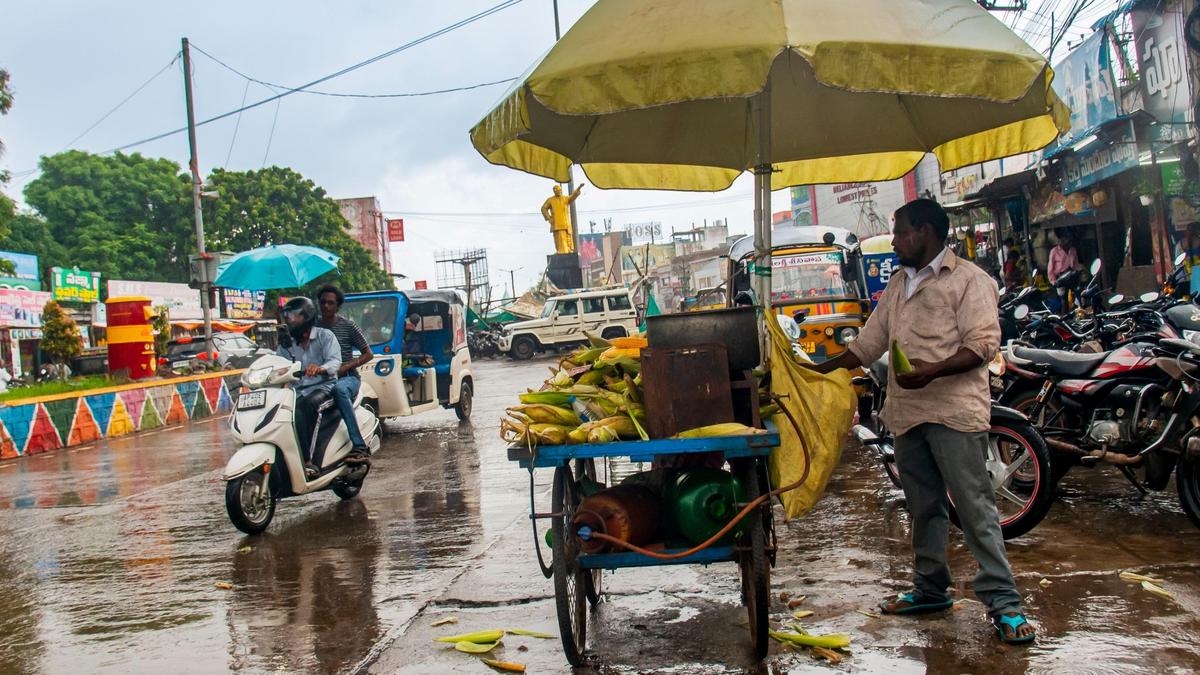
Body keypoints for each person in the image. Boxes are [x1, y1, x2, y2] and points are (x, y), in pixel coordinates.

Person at [808, 198, 1036, 644]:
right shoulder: (898, 285)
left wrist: (930, 372)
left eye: (900, 231)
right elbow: (867, 344)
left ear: (926, 232)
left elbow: (983, 345)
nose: (894, 240)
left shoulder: (970, 281)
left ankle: (1004, 602)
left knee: (974, 508)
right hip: (908, 416)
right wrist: (816, 370)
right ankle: (930, 590)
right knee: (924, 508)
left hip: (954, 413)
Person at [277, 297, 341, 480]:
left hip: (323, 386)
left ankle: (307, 461)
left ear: (307, 317)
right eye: (287, 316)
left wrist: (320, 368)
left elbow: (335, 361)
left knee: (305, 408)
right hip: (297, 390)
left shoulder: (325, 336)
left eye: (294, 316)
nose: (290, 320)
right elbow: (278, 364)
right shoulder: (286, 343)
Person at [316, 285, 373, 464]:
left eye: (330, 303)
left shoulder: (348, 326)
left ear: (337, 306)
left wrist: (347, 365)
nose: (326, 306)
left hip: (347, 378)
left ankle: (359, 445)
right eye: (323, 302)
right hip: (320, 379)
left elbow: (368, 354)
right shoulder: (313, 328)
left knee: (340, 390)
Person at [541, 183, 585, 254]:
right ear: (554, 191)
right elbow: (543, 208)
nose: (558, 192)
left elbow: (573, 196)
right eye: (556, 190)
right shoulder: (550, 200)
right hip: (557, 224)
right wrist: (549, 218)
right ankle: (562, 252)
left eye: (559, 190)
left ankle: (567, 251)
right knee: (560, 242)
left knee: (568, 243)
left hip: (566, 224)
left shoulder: (565, 198)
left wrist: (579, 188)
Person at [1047, 230, 1081, 311]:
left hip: (1072, 275)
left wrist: (1079, 273)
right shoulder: (1054, 251)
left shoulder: (1072, 250)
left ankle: (1080, 316)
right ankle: (1065, 319)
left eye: (1070, 240)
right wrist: (1053, 281)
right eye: (1067, 240)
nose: (1069, 242)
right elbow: (1050, 268)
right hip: (1061, 278)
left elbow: (1076, 264)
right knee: (1064, 300)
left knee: (1079, 296)